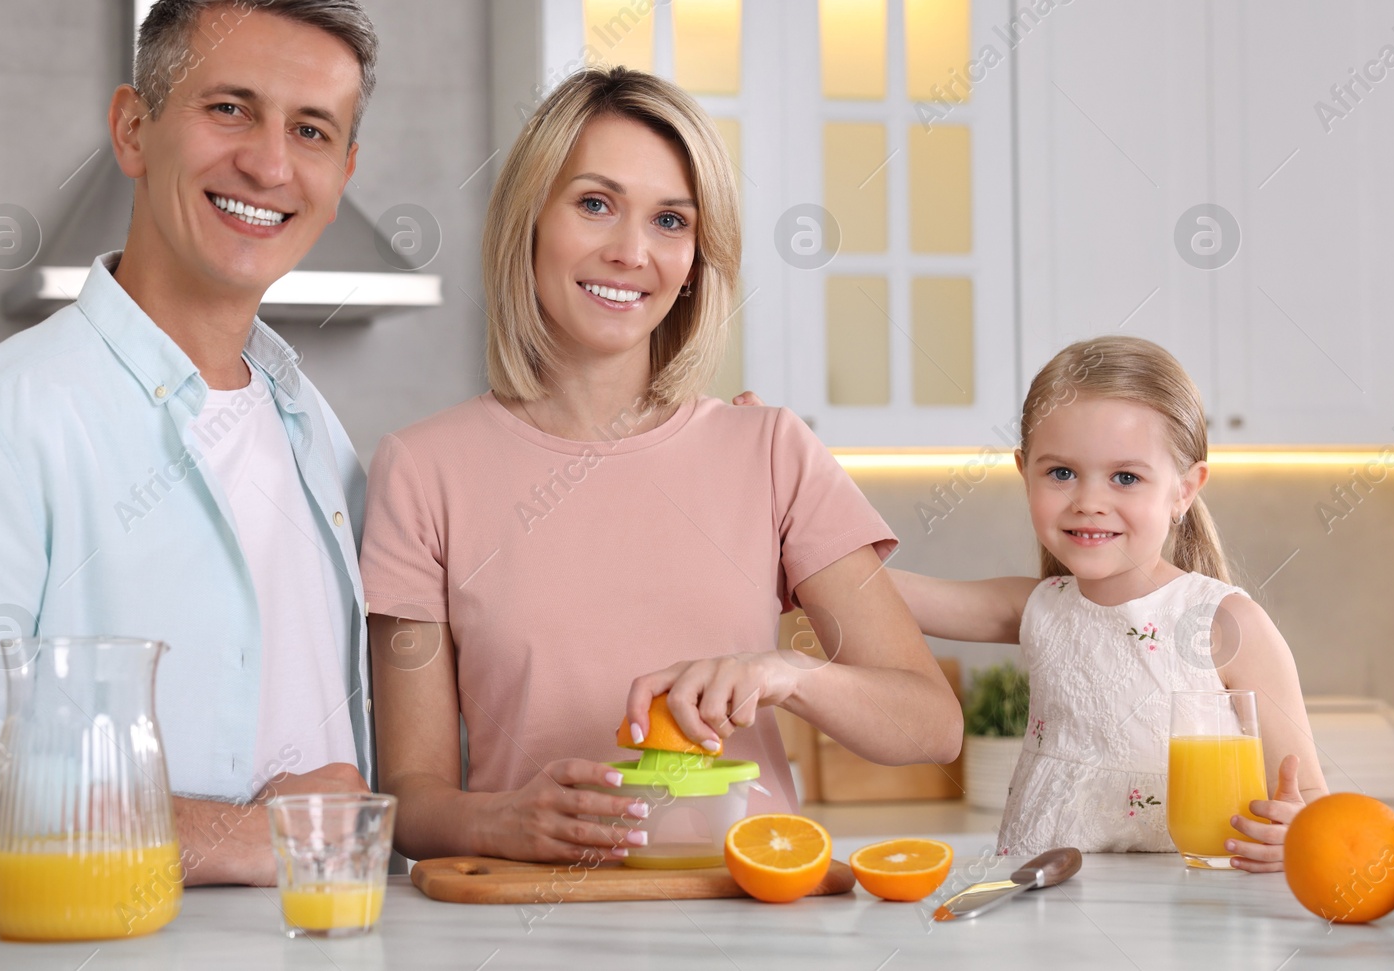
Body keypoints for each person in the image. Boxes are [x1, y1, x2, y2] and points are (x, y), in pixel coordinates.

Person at [0, 0, 380, 885]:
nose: (268, 161)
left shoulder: (317, 435)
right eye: (229, 108)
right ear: (134, 130)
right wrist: (251, 835)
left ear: (343, 174)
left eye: (312, 129)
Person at [362, 66, 962, 864]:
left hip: (752, 922)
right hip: (529, 929)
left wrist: (789, 672)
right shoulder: (421, 470)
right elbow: (410, 790)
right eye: (595, 204)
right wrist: (498, 819)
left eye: (671, 220)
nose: (631, 252)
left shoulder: (771, 450)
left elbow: (930, 723)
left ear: (693, 261)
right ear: (529, 221)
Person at [891, 336, 1326, 871]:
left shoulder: (1225, 623)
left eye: (1126, 477)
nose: (1089, 502)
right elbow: (870, 589)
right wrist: (780, 479)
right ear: (1024, 471)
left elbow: (1309, 800)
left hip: (1189, 915)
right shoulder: (1036, 607)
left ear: (1184, 491)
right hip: (1043, 906)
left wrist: (1296, 834)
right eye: (1061, 473)